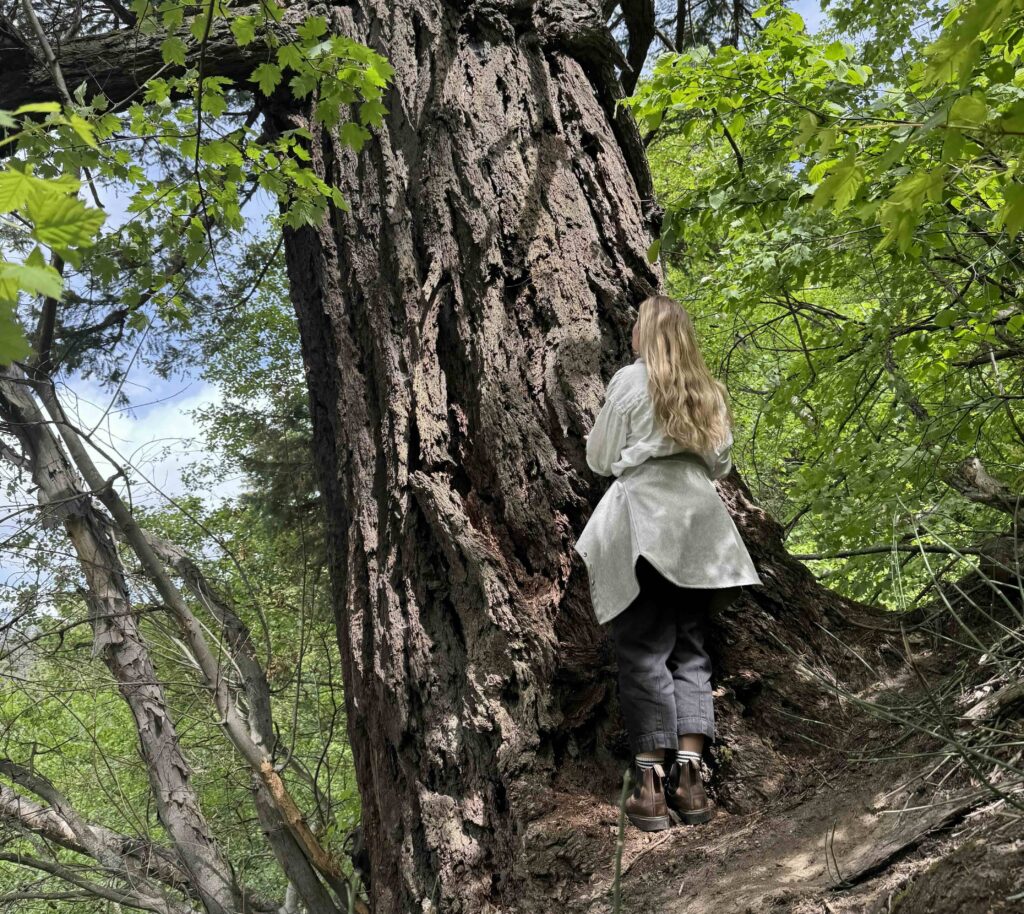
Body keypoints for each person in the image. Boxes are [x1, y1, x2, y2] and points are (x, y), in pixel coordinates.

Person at [573, 294, 763, 832]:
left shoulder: (631, 382)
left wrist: (638, 451)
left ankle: (651, 788)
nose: (631, 332)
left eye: (636, 324)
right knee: (691, 650)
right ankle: (691, 781)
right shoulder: (705, 389)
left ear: (647, 334)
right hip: (699, 528)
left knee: (644, 649)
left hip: (646, 523)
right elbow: (720, 464)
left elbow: (599, 458)